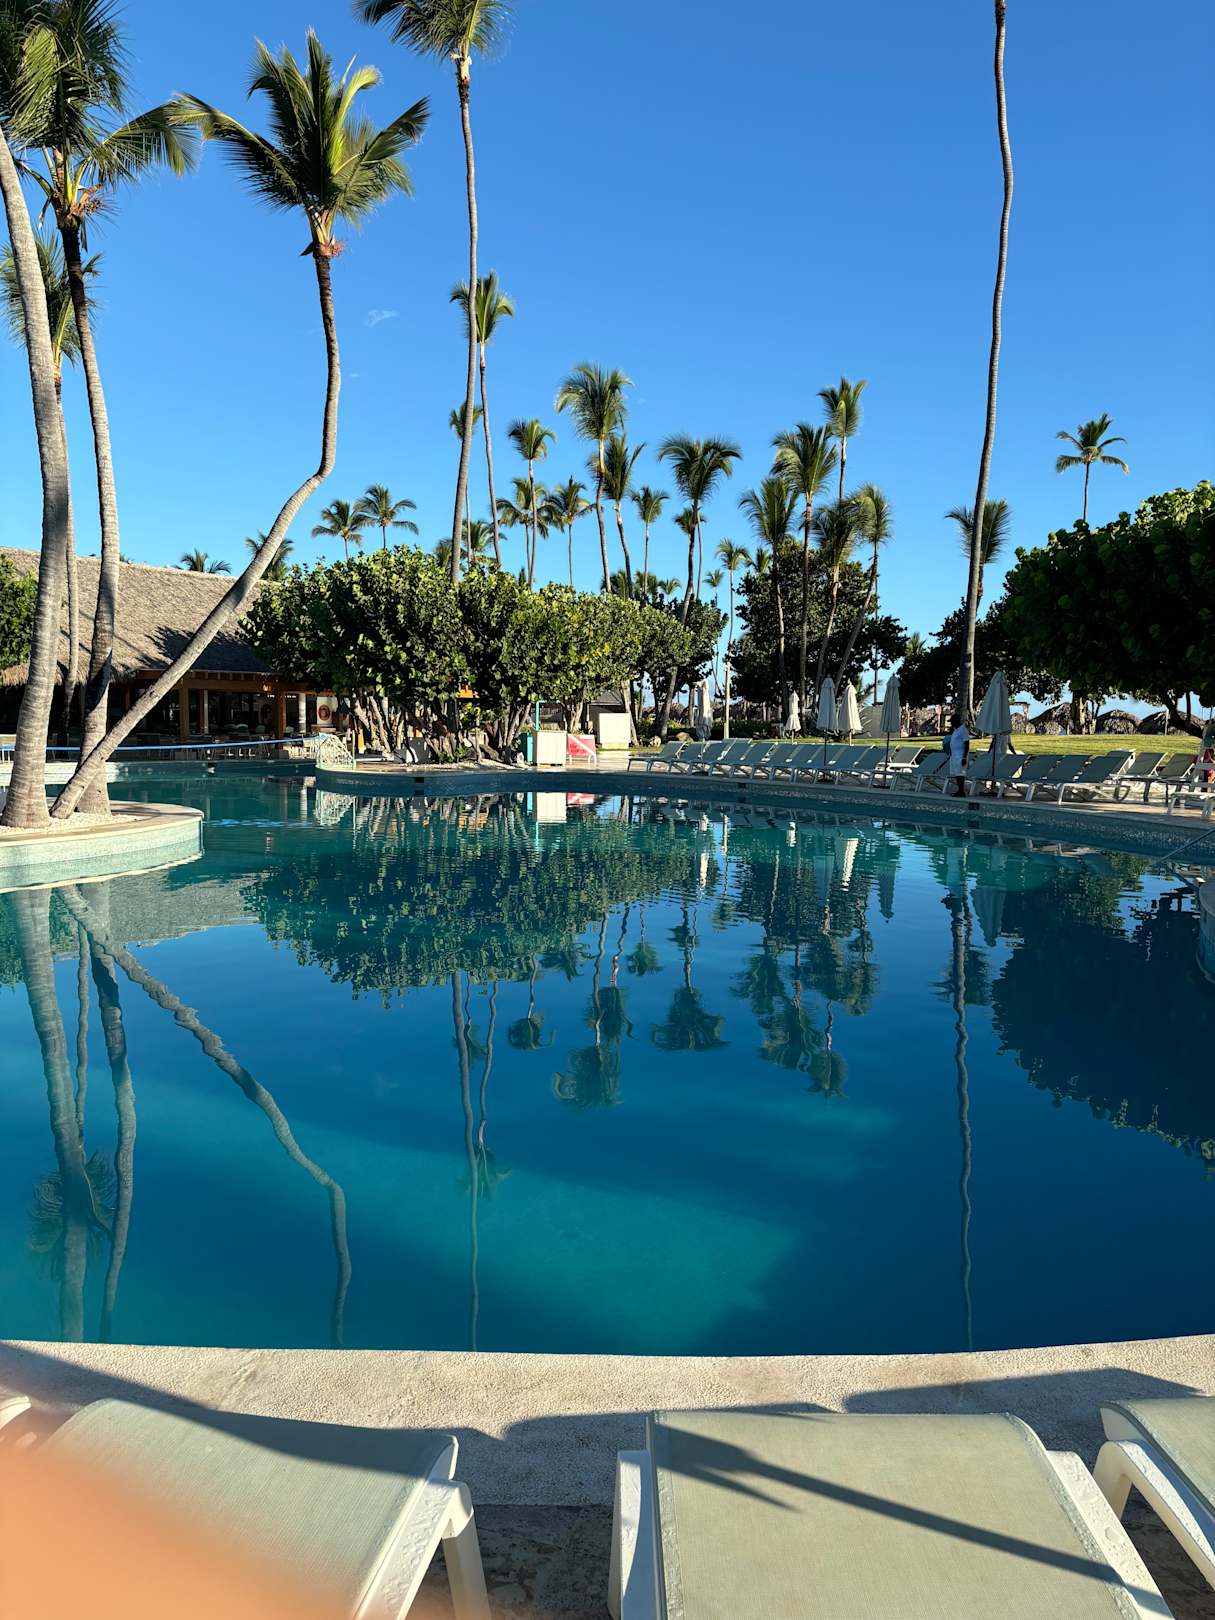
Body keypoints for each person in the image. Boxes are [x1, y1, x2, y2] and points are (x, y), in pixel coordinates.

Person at [947, 711, 970, 797]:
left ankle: (961, 791)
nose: (951, 724)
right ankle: (959, 790)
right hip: (954, 755)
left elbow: (967, 744)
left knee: (960, 773)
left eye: (952, 722)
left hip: (961, 755)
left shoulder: (963, 730)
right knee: (957, 773)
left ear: (956, 721)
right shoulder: (956, 730)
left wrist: (964, 757)